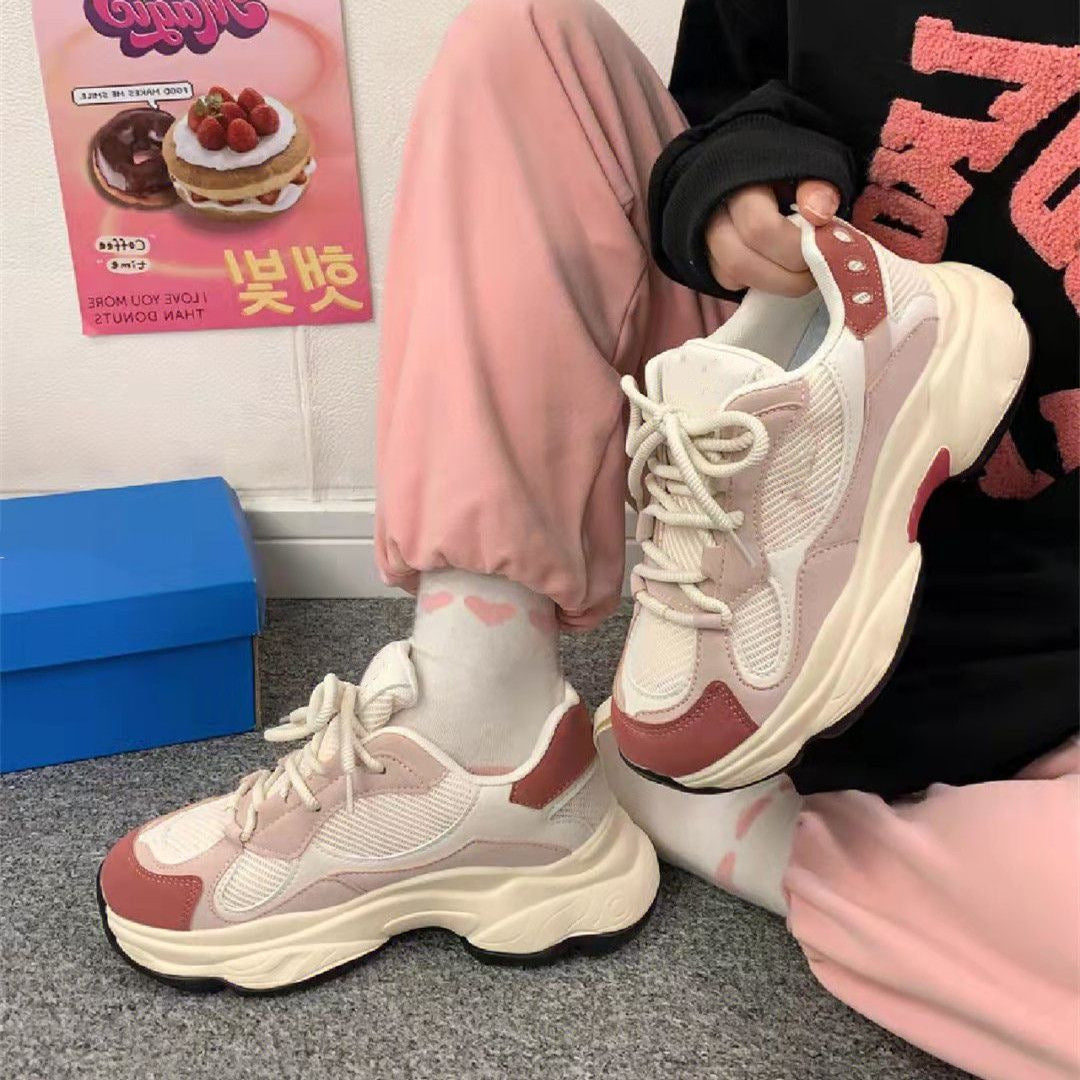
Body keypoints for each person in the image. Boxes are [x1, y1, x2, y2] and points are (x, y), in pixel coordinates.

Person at [97, 2, 1079, 1076]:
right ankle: (479, 717)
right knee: (523, 41)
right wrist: (737, 184)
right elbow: (726, 110)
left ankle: (743, 835)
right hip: (759, 480)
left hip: (1040, 638)